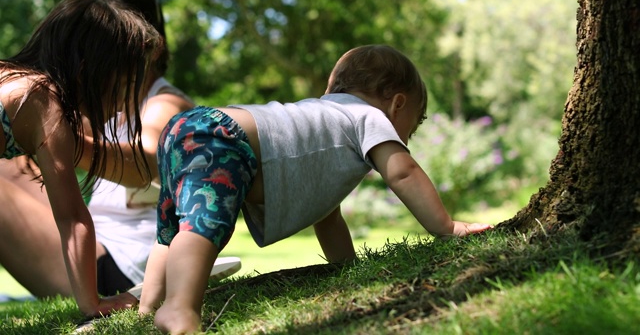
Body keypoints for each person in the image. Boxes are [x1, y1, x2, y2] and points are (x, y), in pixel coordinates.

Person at [138, 44, 494, 333]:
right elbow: (403, 173)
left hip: (187, 129)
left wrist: (350, 270)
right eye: (412, 127)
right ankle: (180, 309)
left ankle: (149, 305)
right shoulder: (369, 116)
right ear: (397, 104)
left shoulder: (328, 120)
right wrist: (445, 227)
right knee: (205, 226)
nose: (405, 139)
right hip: (223, 136)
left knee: (175, 226)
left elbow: (326, 216)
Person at [0, 0, 197, 311]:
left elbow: (147, 156)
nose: (121, 106)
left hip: (119, 259)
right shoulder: (45, 103)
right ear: (91, 71)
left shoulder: (15, 80)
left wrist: (65, 142)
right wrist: (93, 307)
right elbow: (72, 217)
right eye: (120, 87)